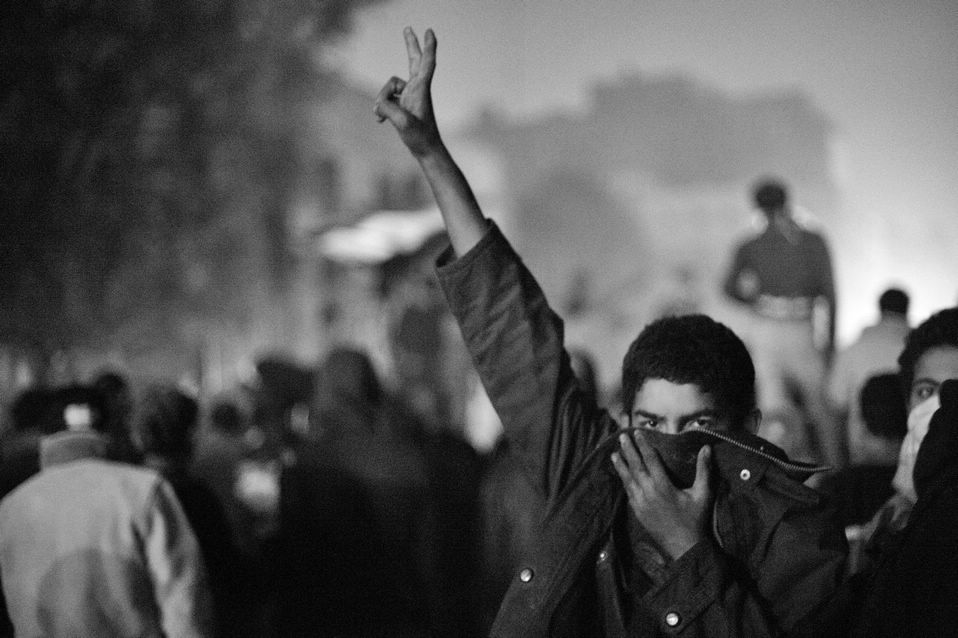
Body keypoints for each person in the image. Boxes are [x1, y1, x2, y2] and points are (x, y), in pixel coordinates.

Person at [375, 27, 847, 637]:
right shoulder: (595, 473)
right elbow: (509, 327)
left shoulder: (797, 534)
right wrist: (432, 155)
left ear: (748, 429)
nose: (668, 449)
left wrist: (688, 554)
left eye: (699, 427)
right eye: (650, 425)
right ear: (625, 420)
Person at [0, 383, 214, 637]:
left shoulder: (12, 507)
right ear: (113, 432)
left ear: (46, 439)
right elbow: (185, 605)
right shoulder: (144, 490)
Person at [722, 177, 841, 467]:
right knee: (821, 408)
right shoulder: (812, 240)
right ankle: (836, 470)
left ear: (757, 207)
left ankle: (774, 474)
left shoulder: (751, 244)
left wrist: (755, 301)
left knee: (772, 409)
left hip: (766, 329)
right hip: (801, 328)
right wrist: (831, 342)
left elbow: (728, 287)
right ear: (787, 201)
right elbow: (830, 294)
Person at [828, 287, 911, 466]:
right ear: (907, 309)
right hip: (913, 454)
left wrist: (836, 464)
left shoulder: (852, 350)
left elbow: (836, 404)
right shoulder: (924, 352)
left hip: (862, 454)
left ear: (879, 309)